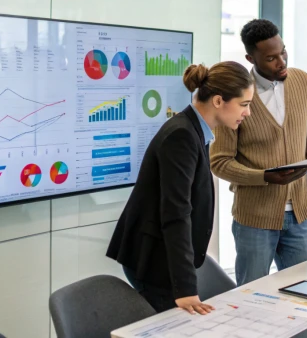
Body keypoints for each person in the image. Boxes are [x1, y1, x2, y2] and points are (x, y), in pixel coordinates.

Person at [106, 61, 255, 313]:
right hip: (154, 260)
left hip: (163, 256)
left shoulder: (195, 130)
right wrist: (185, 288)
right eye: (244, 104)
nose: (248, 113)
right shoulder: (182, 135)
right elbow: (176, 213)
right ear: (218, 101)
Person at [210, 19, 307, 286]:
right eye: (271, 58)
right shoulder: (235, 95)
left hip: (299, 213)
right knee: (251, 296)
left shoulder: (304, 82)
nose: (281, 61)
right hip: (255, 218)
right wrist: (265, 177)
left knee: (303, 294)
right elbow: (219, 162)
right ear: (251, 57)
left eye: (283, 52)